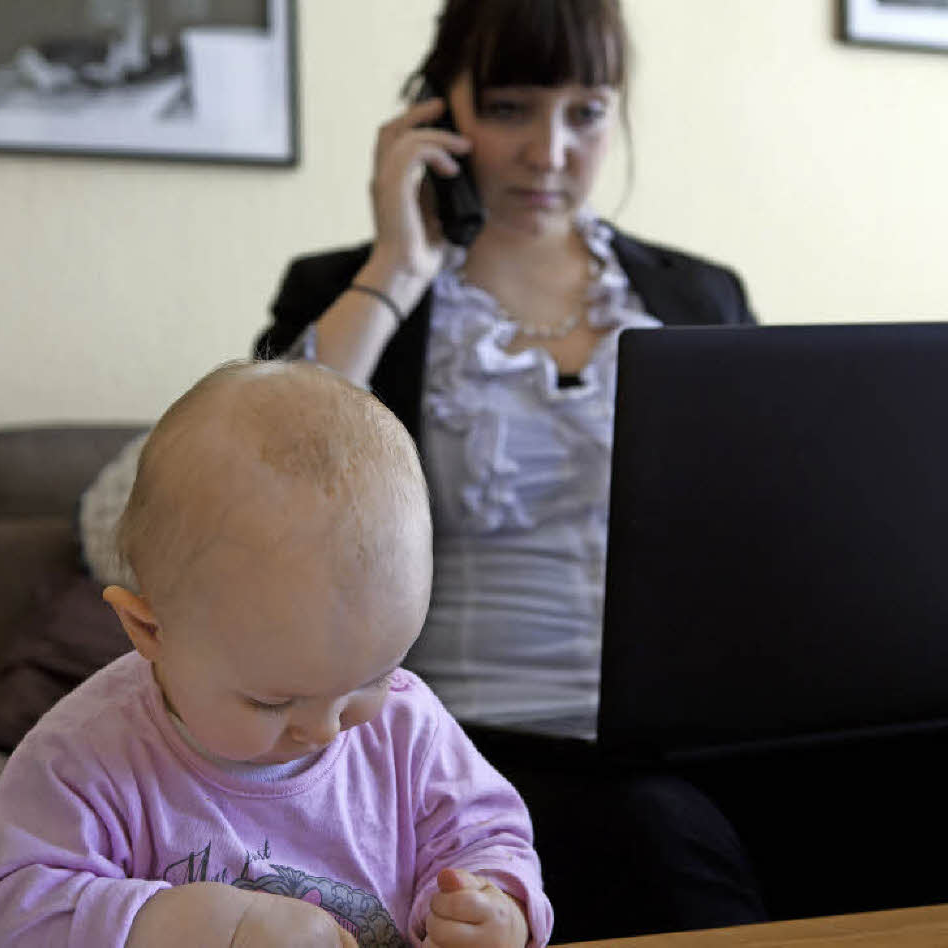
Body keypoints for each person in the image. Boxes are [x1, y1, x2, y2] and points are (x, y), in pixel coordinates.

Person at [252, 0, 766, 940]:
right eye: (511, 108)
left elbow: (766, 531)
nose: (549, 154)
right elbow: (262, 474)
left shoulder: (700, 294)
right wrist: (398, 267)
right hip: (453, 737)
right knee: (655, 841)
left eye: (586, 113)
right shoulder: (345, 291)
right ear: (438, 114)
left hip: (676, 736)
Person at [0, 361, 553, 948]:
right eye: (273, 700)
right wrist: (202, 925)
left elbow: (484, 836)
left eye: (370, 678)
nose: (326, 729)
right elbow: (9, 920)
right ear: (149, 630)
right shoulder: (81, 760)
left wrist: (495, 904)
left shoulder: (408, 726)